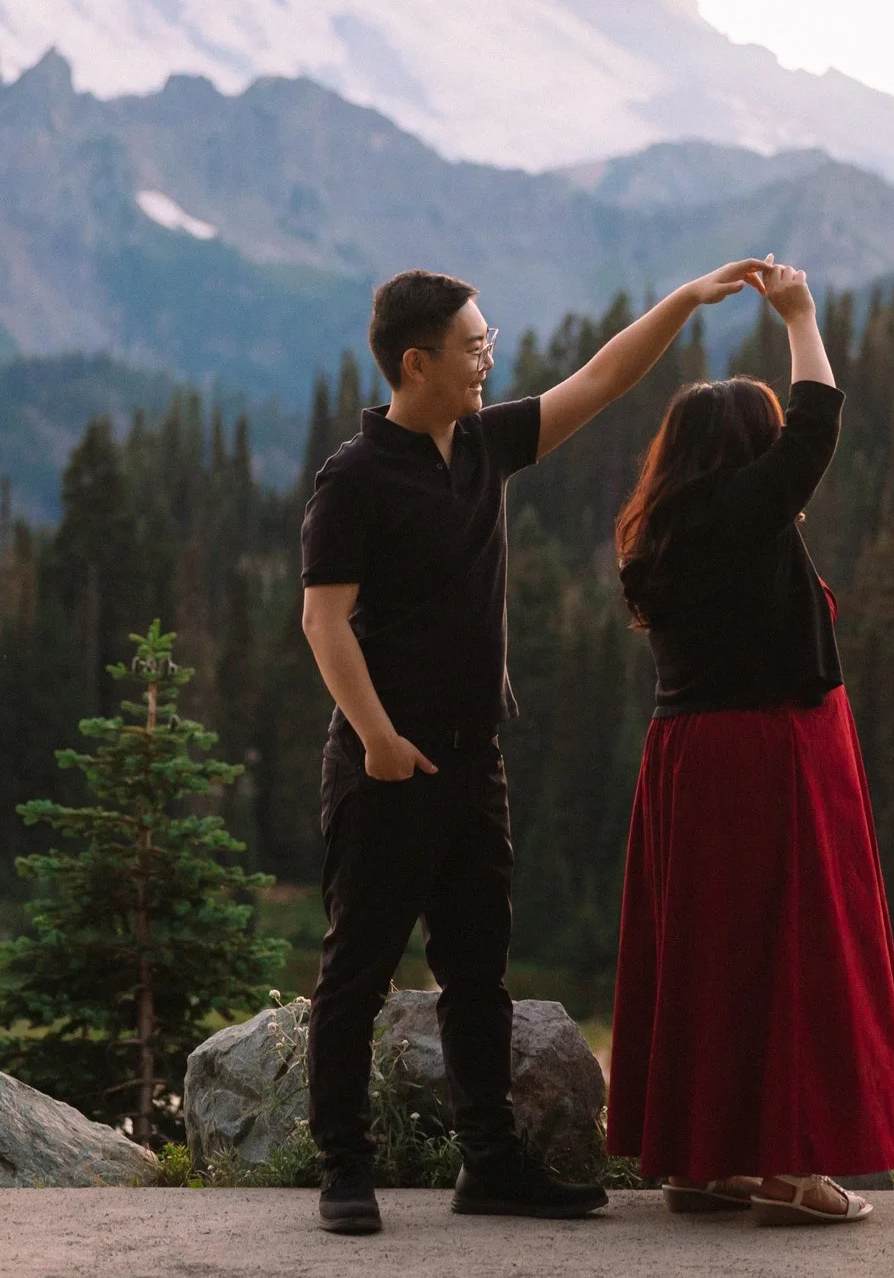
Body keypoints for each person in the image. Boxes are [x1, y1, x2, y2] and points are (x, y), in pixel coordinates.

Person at [300, 260, 765, 1235]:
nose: (487, 359)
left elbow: (596, 381)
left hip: (474, 760)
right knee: (358, 969)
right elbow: (324, 621)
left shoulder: (481, 443)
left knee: (477, 968)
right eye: (473, 347)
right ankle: (344, 1166)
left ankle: (490, 1162)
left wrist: (684, 300)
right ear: (415, 361)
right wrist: (380, 738)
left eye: (488, 344)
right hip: (386, 766)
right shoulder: (356, 475)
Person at [605, 257, 894, 1227]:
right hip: (766, 757)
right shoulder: (744, 513)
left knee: (707, 957)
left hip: (684, 761)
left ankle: (703, 1158)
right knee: (790, 953)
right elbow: (818, 416)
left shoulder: (653, 531)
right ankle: (786, 1168)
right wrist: (799, 313)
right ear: (749, 453)